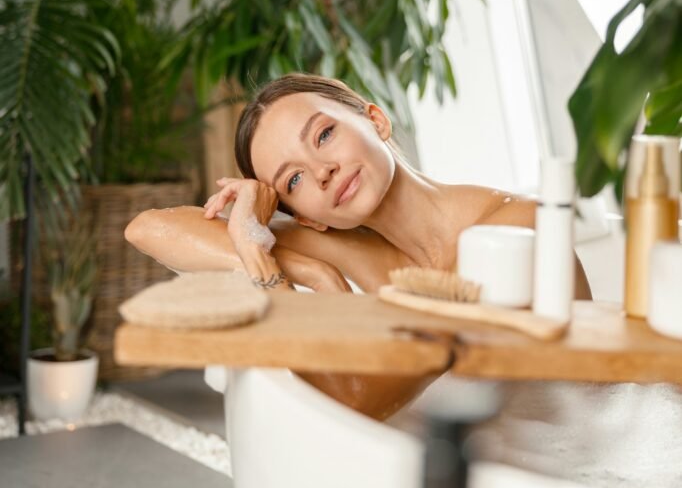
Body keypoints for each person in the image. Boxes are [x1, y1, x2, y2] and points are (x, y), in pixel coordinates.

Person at [126, 72, 591, 419]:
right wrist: (275, 255)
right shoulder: (356, 252)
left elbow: (352, 397)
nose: (322, 170)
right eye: (294, 178)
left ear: (376, 120)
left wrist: (266, 260)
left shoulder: (516, 229)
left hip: (589, 455)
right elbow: (147, 229)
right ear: (306, 216)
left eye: (324, 135)